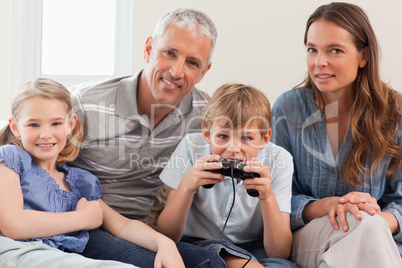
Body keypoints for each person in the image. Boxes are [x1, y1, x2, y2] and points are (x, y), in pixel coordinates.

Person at [0, 77, 220, 268]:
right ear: (15, 127)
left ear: (70, 125)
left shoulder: (79, 182)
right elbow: (13, 225)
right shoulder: (12, 159)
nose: (46, 134)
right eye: (34, 125)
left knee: (206, 261)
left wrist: (164, 243)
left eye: (55, 123)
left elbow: (122, 225)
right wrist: (82, 218)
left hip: (82, 250)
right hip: (38, 255)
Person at [271, 2, 402, 267]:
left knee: (363, 225)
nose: (319, 62)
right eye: (312, 49)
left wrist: (372, 219)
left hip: (377, 234)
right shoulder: (289, 108)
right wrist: (327, 206)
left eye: (335, 50)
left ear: (363, 56)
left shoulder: (394, 113)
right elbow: (275, 196)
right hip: (310, 238)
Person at [69, 7, 216, 225]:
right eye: (169, 53)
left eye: (192, 63)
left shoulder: (208, 115)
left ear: (203, 72)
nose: (176, 72)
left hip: (152, 231)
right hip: (89, 227)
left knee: (209, 260)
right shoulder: (84, 103)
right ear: (148, 49)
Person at [158, 83, 297, 268]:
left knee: (283, 266)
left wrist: (267, 196)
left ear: (264, 139)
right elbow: (167, 235)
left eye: (246, 138)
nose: (232, 149)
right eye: (223, 136)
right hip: (196, 242)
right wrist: (187, 186)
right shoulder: (191, 147)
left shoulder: (280, 160)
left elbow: (279, 252)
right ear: (207, 134)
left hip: (255, 246)